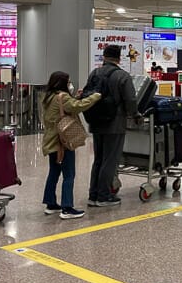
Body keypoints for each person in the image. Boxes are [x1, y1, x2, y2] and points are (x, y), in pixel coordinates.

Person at [40, 71, 102, 219]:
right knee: (69, 174)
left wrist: (76, 97)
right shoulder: (63, 96)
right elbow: (78, 107)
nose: (70, 84)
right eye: (68, 82)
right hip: (63, 142)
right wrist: (95, 96)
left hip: (51, 140)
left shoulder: (49, 97)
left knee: (54, 172)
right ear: (62, 83)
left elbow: (66, 106)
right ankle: (67, 208)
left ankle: (51, 204)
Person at [86, 45, 138, 207]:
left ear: (104, 56)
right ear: (119, 58)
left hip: (96, 122)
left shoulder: (94, 73)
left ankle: (93, 195)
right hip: (114, 123)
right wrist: (135, 115)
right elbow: (130, 100)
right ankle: (104, 196)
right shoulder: (122, 76)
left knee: (99, 159)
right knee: (110, 160)